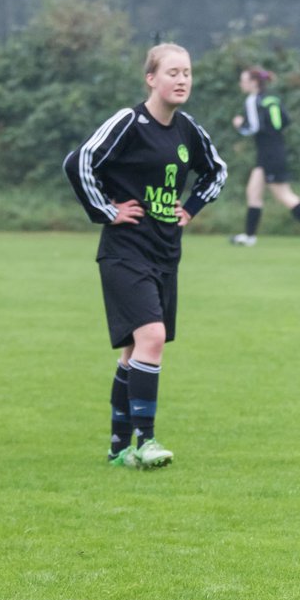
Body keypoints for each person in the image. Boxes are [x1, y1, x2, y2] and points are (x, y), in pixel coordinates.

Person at [63, 43, 227, 469]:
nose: (182, 79)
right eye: (172, 72)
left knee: (134, 350)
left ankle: (119, 447)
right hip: (123, 251)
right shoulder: (129, 122)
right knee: (151, 338)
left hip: (165, 253)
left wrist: (190, 208)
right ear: (151, 78)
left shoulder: (188, 129)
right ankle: (146, 441)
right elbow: (79, 161)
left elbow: (217, 171)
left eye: (187, 72)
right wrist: (106, 210)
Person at [229, 67, 300, 246]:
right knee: (253, 192)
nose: (241, 83)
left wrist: (240, 125)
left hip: (269, 154)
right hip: (272, 151)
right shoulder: (271, 99)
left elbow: (254, 128)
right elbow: (285, 122)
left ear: (254, 82)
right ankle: (249, 236)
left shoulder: (253, 100)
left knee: (283, 195)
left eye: (244, 80)